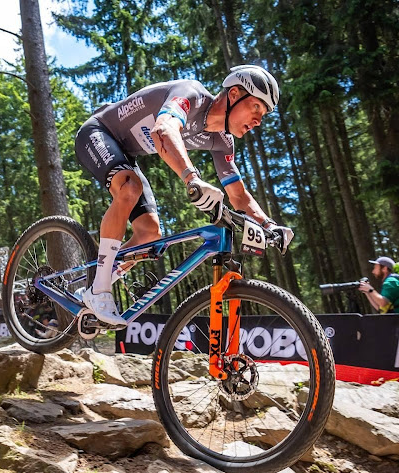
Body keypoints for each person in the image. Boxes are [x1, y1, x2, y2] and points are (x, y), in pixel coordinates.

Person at [74, 65, 294, 325]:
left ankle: (92, 285)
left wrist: (268, 225)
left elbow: (238, 195)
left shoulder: (223, 141)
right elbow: (163, 130)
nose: (258, 120)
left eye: (264, 114)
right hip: (99, 132)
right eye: (256, 106)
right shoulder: (191, 94)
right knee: (130, 188)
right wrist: (192, 179)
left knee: (149, 234)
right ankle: (99, 291)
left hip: (126, 154)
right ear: (234, 93)